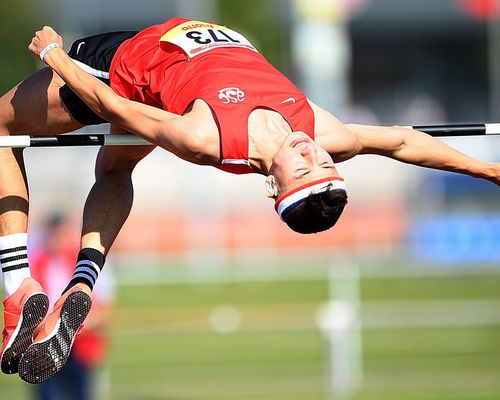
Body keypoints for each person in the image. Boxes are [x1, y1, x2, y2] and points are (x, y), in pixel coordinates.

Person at [0, 17, 498, 385]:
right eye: (326, 163)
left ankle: (17, 286)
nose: (312, 154)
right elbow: (402, 141)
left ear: (273, 186)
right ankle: (83, 281)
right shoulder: (320, 131)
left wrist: (55, 57)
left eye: (304, 169)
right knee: (115, 167)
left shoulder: (206, 137)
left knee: (2, 128)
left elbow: (114, 104)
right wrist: (487, 169)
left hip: (124, 67)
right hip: (176, 70)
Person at [29, 212, 114, 400]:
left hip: (80, 346)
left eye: (61, 233)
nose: (57, 239)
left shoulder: (86, 264)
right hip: (45, 346)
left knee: (80, 393)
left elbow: (103, 310)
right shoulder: (37, 263)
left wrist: (70, 329)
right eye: (54, 234)